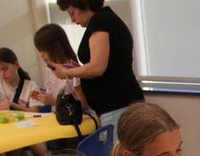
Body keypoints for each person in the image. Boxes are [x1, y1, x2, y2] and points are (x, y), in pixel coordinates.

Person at [55, 0, 144, 143]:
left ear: (83, 4)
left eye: (73, 13)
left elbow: (97, 67)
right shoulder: (106, 20)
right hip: (118, 104)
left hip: (117, 105)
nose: (72, 19)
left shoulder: (101, 21)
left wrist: (67, 73)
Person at [0, 47, 47, 156]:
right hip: (10, 132)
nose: (2, 74)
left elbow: (35, 112)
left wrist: (14, 106)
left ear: (16, 64)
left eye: (5, 69)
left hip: (30, 130)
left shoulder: (30, 85)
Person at [31, 24, 88, 112]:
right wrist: (40, 97)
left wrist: (54, 101)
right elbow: (51, 95)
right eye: (39, 50)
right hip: (58, 117)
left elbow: (83, 104)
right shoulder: (49, 70)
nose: (41, 54)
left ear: (55, 47)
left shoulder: (73, 70)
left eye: (43, 50)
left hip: (75, 118)